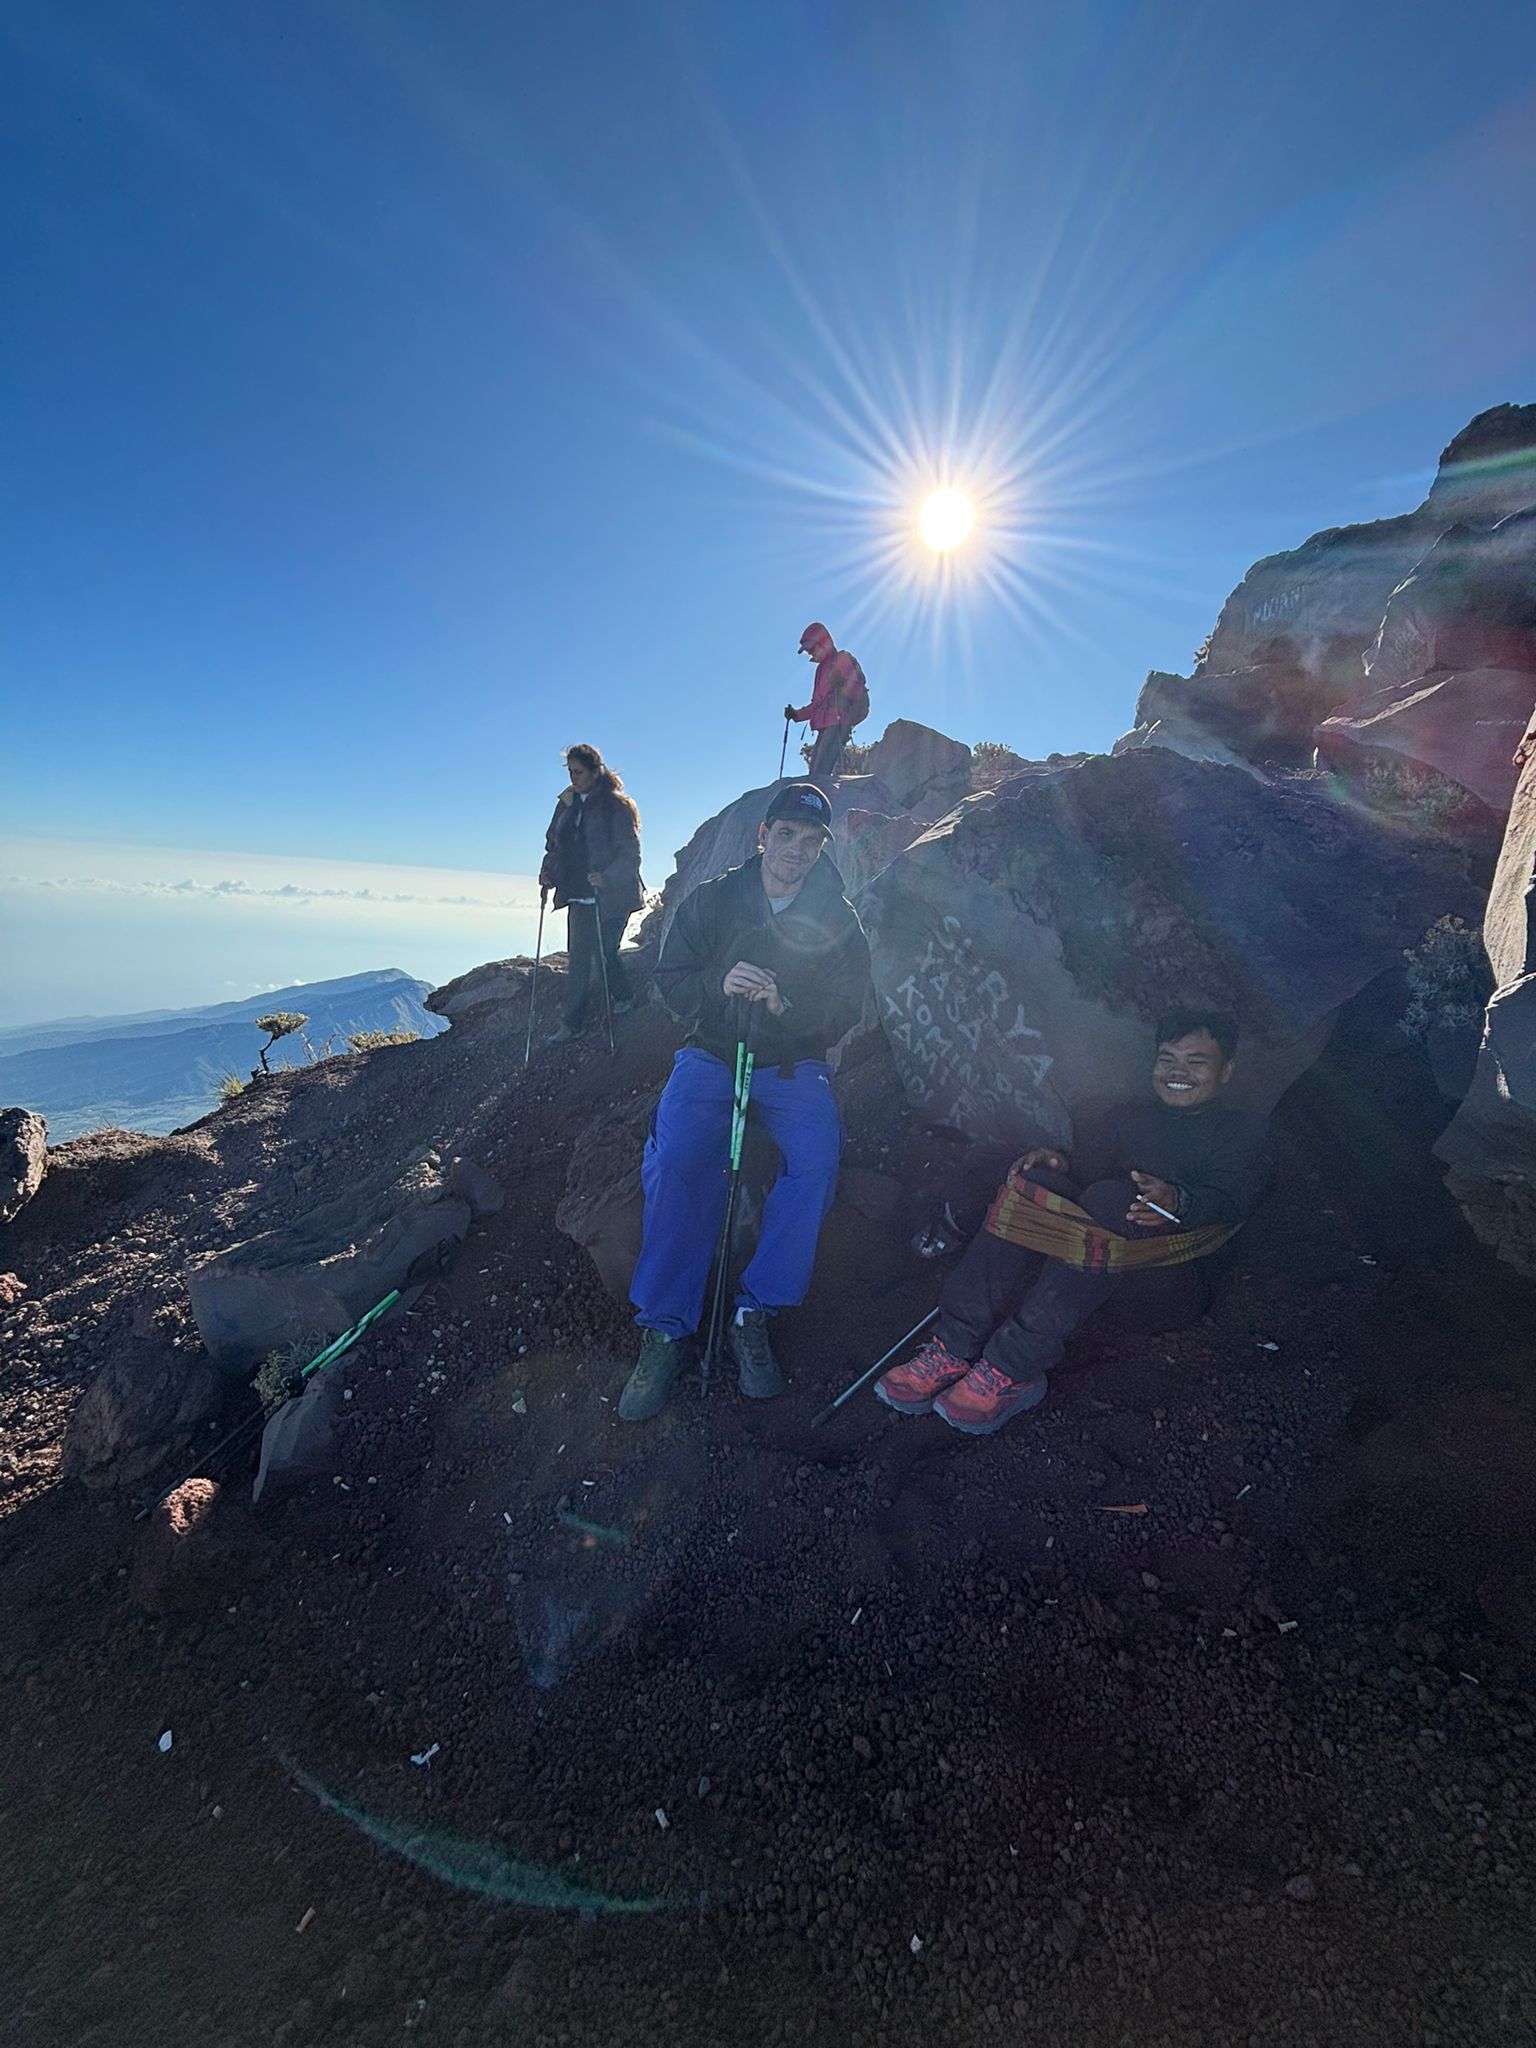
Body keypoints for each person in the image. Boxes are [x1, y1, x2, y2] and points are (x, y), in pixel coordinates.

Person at [876, 1009, 1269, 1434]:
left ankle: (1012, 1370)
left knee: (1111, 1198)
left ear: (1226, 1070)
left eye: (1196, 1062)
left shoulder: (1242, 1133)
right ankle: (953, 1344)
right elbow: (1084, 1175)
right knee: (1037, 1184)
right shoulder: (1126, 1119)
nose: (1178, 1072)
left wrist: (1178, 1200)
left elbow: (1232, 1203)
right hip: (1094, 1274)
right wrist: (1058, 1163)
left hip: (1165, 1287)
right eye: (1167, 1059)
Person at [619, 783, 871, 1421]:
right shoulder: (715, 899)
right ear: (763, 835)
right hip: (712, 1053)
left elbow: (846, 1006)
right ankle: (666, 1325)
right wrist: (718, 985)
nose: (797, 850)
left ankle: (753, 1309)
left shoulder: (838, 917)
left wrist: (789, 1008)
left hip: (791, 1064)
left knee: (815, 1159)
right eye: (787, 834)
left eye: (811, 841)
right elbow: (671, 978)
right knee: (676, 1156)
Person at [538, 744, 644, 1047]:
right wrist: (548, 874)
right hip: (578, 893)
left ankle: (624, 997)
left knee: (605, 952)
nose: (574, 778)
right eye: (570, 772)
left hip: (612, 895)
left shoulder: (616, 806)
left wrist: (607, 877)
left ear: (595, 771)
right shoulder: (567, 803)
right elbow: (555, 845)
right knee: (579, 960)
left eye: (579, 772)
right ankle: (572, 1024)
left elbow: (630, 853)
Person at [785, 623, 869, 787]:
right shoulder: (821, 669)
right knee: (816, 772)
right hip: (826, 724)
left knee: (819, 772)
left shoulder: (841, 659)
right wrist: (796, 715)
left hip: (839, 721)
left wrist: (843, 684)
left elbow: (858, 687)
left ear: (823, 643)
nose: (810, 653)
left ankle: (820, 802)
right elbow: (817, 703)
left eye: (811, 648)